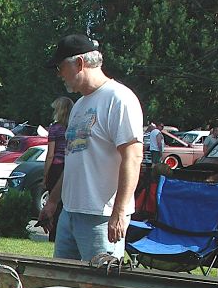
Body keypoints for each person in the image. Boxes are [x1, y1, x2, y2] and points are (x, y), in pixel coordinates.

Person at [37, 34, 144, 262]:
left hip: (102, 218)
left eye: (60, 67)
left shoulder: (119, 99)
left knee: (100, 284)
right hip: (69, 215)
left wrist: (119, 212)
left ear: (79, 63)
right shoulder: (79, 106)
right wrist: (53, 201)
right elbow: (74, 160)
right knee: (62, 281)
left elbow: (133, 158)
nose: (59, 74)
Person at [40, 96, 74, 241]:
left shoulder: (55, 128)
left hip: (57, 166)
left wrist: (45, 176)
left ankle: (53, 234)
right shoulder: (73, 128)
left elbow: (50, 155)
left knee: (53, 202)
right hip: (70, 166)